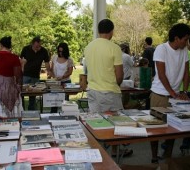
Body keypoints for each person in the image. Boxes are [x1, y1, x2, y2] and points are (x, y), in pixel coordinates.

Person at [84, 19, 133, 157]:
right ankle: (113, 155)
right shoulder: (114, 48)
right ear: (111, 31)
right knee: (115, 126)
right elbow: (119, 75)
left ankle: (99, 153)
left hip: (92, 90)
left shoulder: (88, 47)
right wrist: (115, 83)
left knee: (96, 124)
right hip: (109, 91)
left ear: (99, 31)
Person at [150, 23, 190, 163]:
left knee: (173, 129)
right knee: (154, 129)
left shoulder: (184, 50)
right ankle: (154, 157)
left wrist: (184, 91)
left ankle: (167, 156)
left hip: (175, 95)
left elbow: (187, 72)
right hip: (159, 94)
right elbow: (161, 75)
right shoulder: (161, 49)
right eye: (185, 39)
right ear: (176, 38)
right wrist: (173, 93)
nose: (187, 43)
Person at [0, 36, 23, 117]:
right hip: (9, 84)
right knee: (10, 108)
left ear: (0, 45)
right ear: (10, 45)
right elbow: (18, 75)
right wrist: (18, 87)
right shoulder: (14, 57)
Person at [20, 36, 51, 110]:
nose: (38, 48)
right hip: (25, 75)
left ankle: (31, 110)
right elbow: (21, 60)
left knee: (33, 95)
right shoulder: (26, 49)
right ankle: (22, 110)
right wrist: (21, 70)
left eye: (39, 46)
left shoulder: (43, 51)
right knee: (22, 93)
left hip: (36, 75)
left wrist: (48, 71)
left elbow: (46, 62)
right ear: (32, 44)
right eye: (36, 46)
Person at [48, 42, 74, 113]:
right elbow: (51, 69)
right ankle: (53, 115)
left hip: (65, 82)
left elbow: (70, 72)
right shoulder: (54, 57)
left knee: (65, 102)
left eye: (62, 51)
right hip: (55, 83)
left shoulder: (69, 60)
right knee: (54, 102)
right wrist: (52, 76)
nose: (60, 53)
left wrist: (62, 77)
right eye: (59, 51)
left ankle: (66, 116)